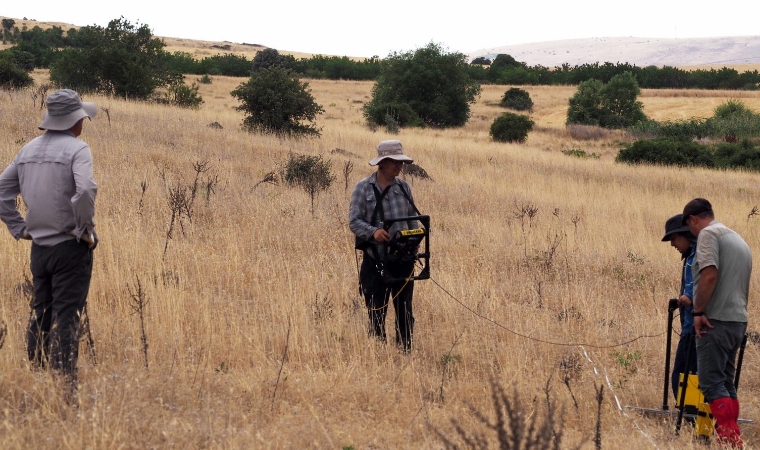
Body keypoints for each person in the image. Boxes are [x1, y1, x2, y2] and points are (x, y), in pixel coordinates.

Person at [0, 89, 98, 393]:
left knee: (41, 313)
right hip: (70, 247)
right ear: (75, 120)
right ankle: (65, 388)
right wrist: (85, 229)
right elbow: (84, 191)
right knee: (67, 316)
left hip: (39, 249)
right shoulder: (78, 150)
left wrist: (20, 228)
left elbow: (2, 190)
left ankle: (38, 382)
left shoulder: (27, 150)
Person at [683, 198, 751, 448]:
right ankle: (734, 440)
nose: (691, 232)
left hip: (715, 320)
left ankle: (730, 440)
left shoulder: (708, 236)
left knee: (711, 383)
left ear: (693, 219)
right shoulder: (736, 238)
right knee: (725, 382)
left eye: (689, 226)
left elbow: (709, 274)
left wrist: (698, 311)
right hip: (737, 320)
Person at [349, 140, 419, 351]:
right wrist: (374, 232)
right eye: (395, 162)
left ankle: (405, 349)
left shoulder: (404, 187)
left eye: (401, 162)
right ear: (383, 162)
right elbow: (354, 221)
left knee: (404, 308)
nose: (399, 167)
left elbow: (412, 218)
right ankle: (378, 351)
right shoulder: (363, 187)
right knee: (376, 308)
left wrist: (414, 241)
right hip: (376, 259)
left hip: (402, 259)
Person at [661, 214, 698, 402]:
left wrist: (686, 298)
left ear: (686, 235)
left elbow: (698, 287)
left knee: (686, 376)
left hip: (695, 327)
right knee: (684, 375)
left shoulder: (698, 255)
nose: (672, 244)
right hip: (690, 326)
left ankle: (692, 416)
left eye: (674, 238)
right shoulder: (691, 255)